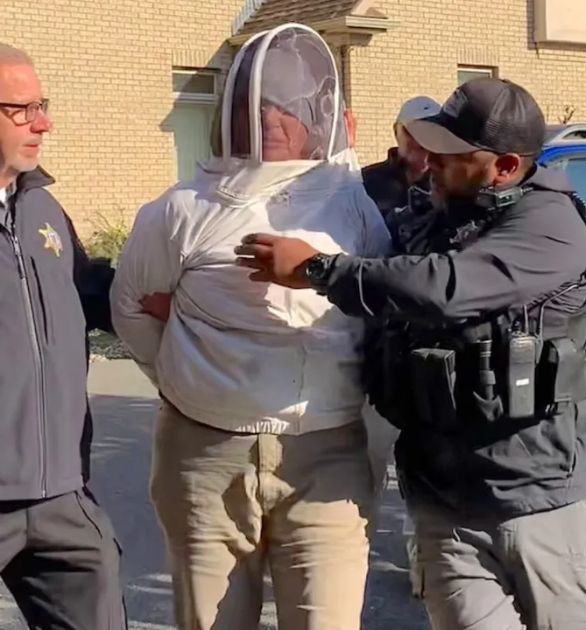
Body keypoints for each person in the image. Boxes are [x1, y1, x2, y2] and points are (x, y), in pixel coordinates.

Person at [234, 77, 586, 630]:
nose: (429, 162)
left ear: (503, 167)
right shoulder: (429, 213)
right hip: (443, 505)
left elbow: (444, 287)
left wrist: (316, 269)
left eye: (449, 155)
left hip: (541, 504)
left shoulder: (551, 225)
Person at [110, 24, 390, 630]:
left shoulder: (354, 207)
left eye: (285, 106)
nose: (268, 117)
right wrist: (182, 379)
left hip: (328, 458)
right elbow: (130, 306)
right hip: (206, 457)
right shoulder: (182, 207)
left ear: (318, 115)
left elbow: (381, 310)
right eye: (255, 105)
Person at [0, 43, 126, 629]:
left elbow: (86, 290)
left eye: (41, 105)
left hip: (61, 496)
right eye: (20, 110)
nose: (42, 122)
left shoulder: (43, 209)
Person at [361, 95, 440, 222]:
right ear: (396, 132)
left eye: (432, 132)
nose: (421, 140)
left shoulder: (450, 184)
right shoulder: (364, 183)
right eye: (412, 131)